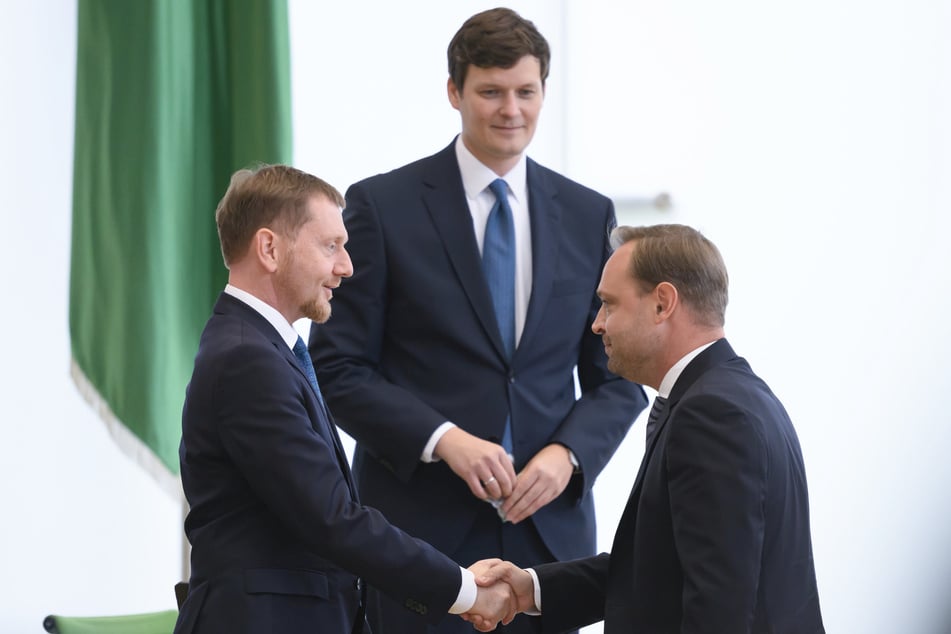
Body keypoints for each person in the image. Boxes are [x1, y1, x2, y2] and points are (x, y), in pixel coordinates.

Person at [308, 7, 648, 634]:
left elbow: (621, 375)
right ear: (454, 92)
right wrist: (444, 439)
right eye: (490, 92)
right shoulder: (381, 207)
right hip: (418, 539)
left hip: (550, 542)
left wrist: (567, 456)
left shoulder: (586, 212)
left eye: (526, 91)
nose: (510, 109)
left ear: (545, 90)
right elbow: (336, 368)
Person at [173, 164, 515, 634]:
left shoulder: (261, 349)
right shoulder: (246, 359)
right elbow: (331, 518)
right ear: (269, 248)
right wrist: (466, 591)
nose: (346, 266)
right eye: (330, 246)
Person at [469, 224, 826, 633]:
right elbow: (655, 570)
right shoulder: (726, 396)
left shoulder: (711, 415)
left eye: (608, 304)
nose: (597, 325)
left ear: (662, 304)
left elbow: (720, 608)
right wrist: (529, 589)